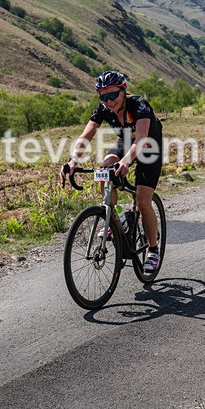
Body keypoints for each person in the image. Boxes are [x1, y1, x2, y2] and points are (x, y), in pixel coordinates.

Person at [61, 71, 164, 271]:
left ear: (123, 91)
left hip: (149, 146)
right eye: (103, 96)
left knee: (143, 202)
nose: (109, 101)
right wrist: (73, 160)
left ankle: (153, 250)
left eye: (113, 95)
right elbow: (86, 135)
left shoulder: (139, 105)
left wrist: (126, 161)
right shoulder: (103, 109)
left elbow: (141, 140)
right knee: (105, 166)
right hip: (126, 142)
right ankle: (115, 217)